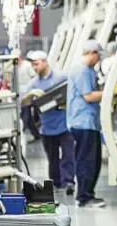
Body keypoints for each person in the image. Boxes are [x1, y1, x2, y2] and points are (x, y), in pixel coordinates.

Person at [23, 50, 75, 195]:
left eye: (36, 64)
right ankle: (56, 183)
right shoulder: (33, 84)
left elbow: (71, 94)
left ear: (45, 62)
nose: (34, 68)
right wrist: (31, 96)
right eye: (33, 65)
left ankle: (69, 182)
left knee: (68, 156)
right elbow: (24, 102)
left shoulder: (61, 77)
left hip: (64, 125)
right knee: (52, 159)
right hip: (47, 127)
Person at [66, 40, 105, 208]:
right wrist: (110, 92)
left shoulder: (84, 69)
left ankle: (85, 195)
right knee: (88, 161)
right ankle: (85, 197)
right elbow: (88, 96)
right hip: (84, 122)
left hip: (84, 122)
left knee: (90, 160)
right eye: (98, 56)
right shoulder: (82, 70)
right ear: (92, 53)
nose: (98, 60)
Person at [9, 49, 40, 142]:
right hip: (19, 94)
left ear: (20, 57)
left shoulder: (27, 65)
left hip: (28, 93)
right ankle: (37, 135)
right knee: (28, 117)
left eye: (17, 59)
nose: (16, 61)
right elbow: (12, 82)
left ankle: (20, 132)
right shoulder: (13, 68)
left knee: (25, 115)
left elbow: (34, 77)